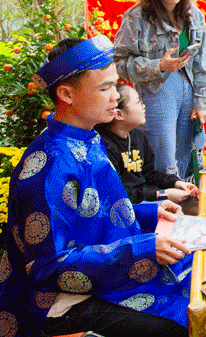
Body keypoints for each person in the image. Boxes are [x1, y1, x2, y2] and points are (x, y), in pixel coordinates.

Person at [0, 36, 192, 337]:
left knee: (195, 273)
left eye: (115, 85)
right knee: (177, 323)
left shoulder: (88, 139)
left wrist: (149, 212)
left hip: (103, 273)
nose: (115, 97)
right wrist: (140, 249)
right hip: (61, 303)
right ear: (66, 94)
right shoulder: (49, 166)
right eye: (104, 88)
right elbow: (46, 266)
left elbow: (97, 213)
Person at [114, 0, 206, 179]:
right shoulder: (136, 17)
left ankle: (190, 204)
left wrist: (202, 102)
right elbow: (120, 61)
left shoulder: (195, 15)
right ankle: (165, 207)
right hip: (156, 95)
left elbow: (202, 63)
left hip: (189, 94)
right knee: (163, 160)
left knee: (189, 155)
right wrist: (158, 66)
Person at [96, 83, 199, 214]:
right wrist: (162, 194)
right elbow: (119, 194)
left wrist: (176, 183)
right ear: (118, 114)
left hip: (148, 196)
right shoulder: (104, 146)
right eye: (138, 101)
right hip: (127, 209)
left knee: (196, 204)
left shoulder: (138, 136)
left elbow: (149, 173)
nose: (144, 105)